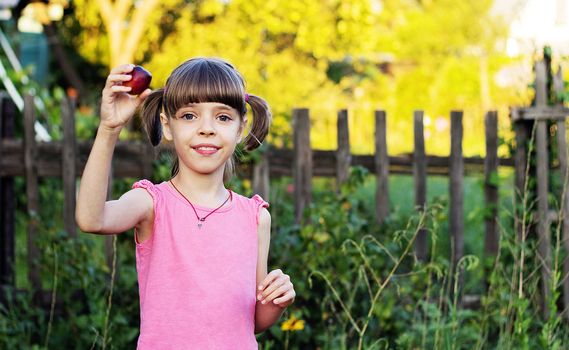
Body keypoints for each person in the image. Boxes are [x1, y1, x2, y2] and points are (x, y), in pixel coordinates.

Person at [75, 58, 296, 349]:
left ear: (241, 128)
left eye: (223, 117)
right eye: (190, 116)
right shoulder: (152, 203)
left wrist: (275, 302)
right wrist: (108, 129)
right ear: (167, 126)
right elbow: (92, 219)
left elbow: (251, 321)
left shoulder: (255, 217)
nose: (207, 129)